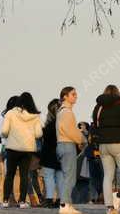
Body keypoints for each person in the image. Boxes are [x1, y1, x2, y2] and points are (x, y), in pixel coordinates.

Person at [92, 84, 120, 214]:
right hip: (119, 143)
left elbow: (95, 122)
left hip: (103, 145)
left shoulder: (98, 107)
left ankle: (110, 208)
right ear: (117, 94)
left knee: (108, 175)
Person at [2, 91, 43, 208]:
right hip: (27, 149)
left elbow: (4, 131)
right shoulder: (35, 116)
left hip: (12, 148)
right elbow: (39, 134)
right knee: (24, 175)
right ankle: (22, 201)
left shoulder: (10, 113)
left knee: (10, 174)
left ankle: (5, 200)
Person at [56, 86, 83, 214]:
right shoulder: (66, 112)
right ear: (65, 96)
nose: (76, 96)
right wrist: (81, 139)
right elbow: (69, 130)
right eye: (73, 94)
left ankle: (67, 204)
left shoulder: (63, 111)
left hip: (63, 145)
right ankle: (65, 205)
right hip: (67, 145)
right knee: (70, 177)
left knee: (68, 176)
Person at [40, 98, 62, 207]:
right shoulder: (63, 124)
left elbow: (45, 138)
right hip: (62, 153)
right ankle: (60, 200)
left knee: (49, 176)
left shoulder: (49, 126)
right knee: (60, 177)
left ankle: (49, 199)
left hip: (49, 153)